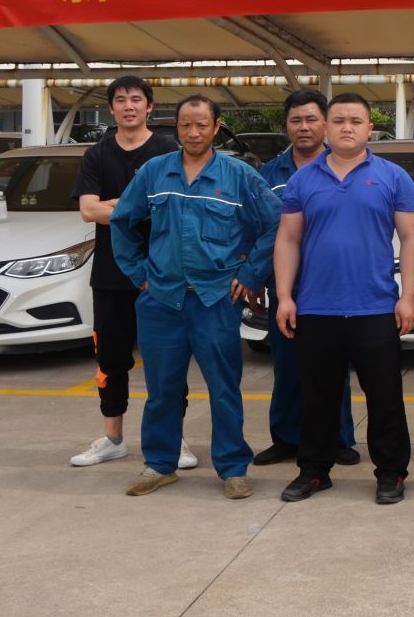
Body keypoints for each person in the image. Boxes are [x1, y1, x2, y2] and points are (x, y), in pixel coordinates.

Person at [110, 95, 280, 499]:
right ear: (176, 127)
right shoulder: (155, 172)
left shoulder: (238, 175)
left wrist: (250, 274)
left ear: (216, 127)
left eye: (202, 125)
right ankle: (160, 464)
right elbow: (121, 220)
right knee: (162, 389)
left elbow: (276, 223)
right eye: (186, 125)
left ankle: (233, 468)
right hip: (161, 299)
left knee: (224, 388)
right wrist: (138, 274)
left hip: (215, 299)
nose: (193, 132)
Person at [274, 93, 414, 505]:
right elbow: (288, 240)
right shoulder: (303, 180)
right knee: (317, 396)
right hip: (316, 307)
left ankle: (391, 472)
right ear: (326, 126)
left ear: (369, 128)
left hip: (375, 306)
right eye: (338, 120)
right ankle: (314, 471)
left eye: (356, 121)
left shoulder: (393, 176)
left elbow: (411, 239)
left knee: (385, 396)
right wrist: (285, 296)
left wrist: (408, 297)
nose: (347, 127)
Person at [69, 75, 193, 471]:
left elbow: (173, 205)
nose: (129, 106)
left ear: (149, 107)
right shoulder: (97, 154)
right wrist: (140, 205)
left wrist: (116, 207)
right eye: (120, 100)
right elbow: (88, 210)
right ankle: (113, 439)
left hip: (162, 272)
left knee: (167, 359)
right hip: (110, 274)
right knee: (111, 358)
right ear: (111, 108)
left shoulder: (168, 150)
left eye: (136, 99)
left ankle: (174, 440)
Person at [254, 89, 359, 469]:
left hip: (333, 284)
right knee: (286, 364)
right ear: (286, 125)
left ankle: (339, 438)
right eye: (296, 120)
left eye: (312, 119)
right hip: (285, 284)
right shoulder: (269, 174)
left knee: (334, 365)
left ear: (325, 124)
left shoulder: (344, 168)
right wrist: (255, 277)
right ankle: (286, 438)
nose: (304, 127)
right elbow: (260, 229)